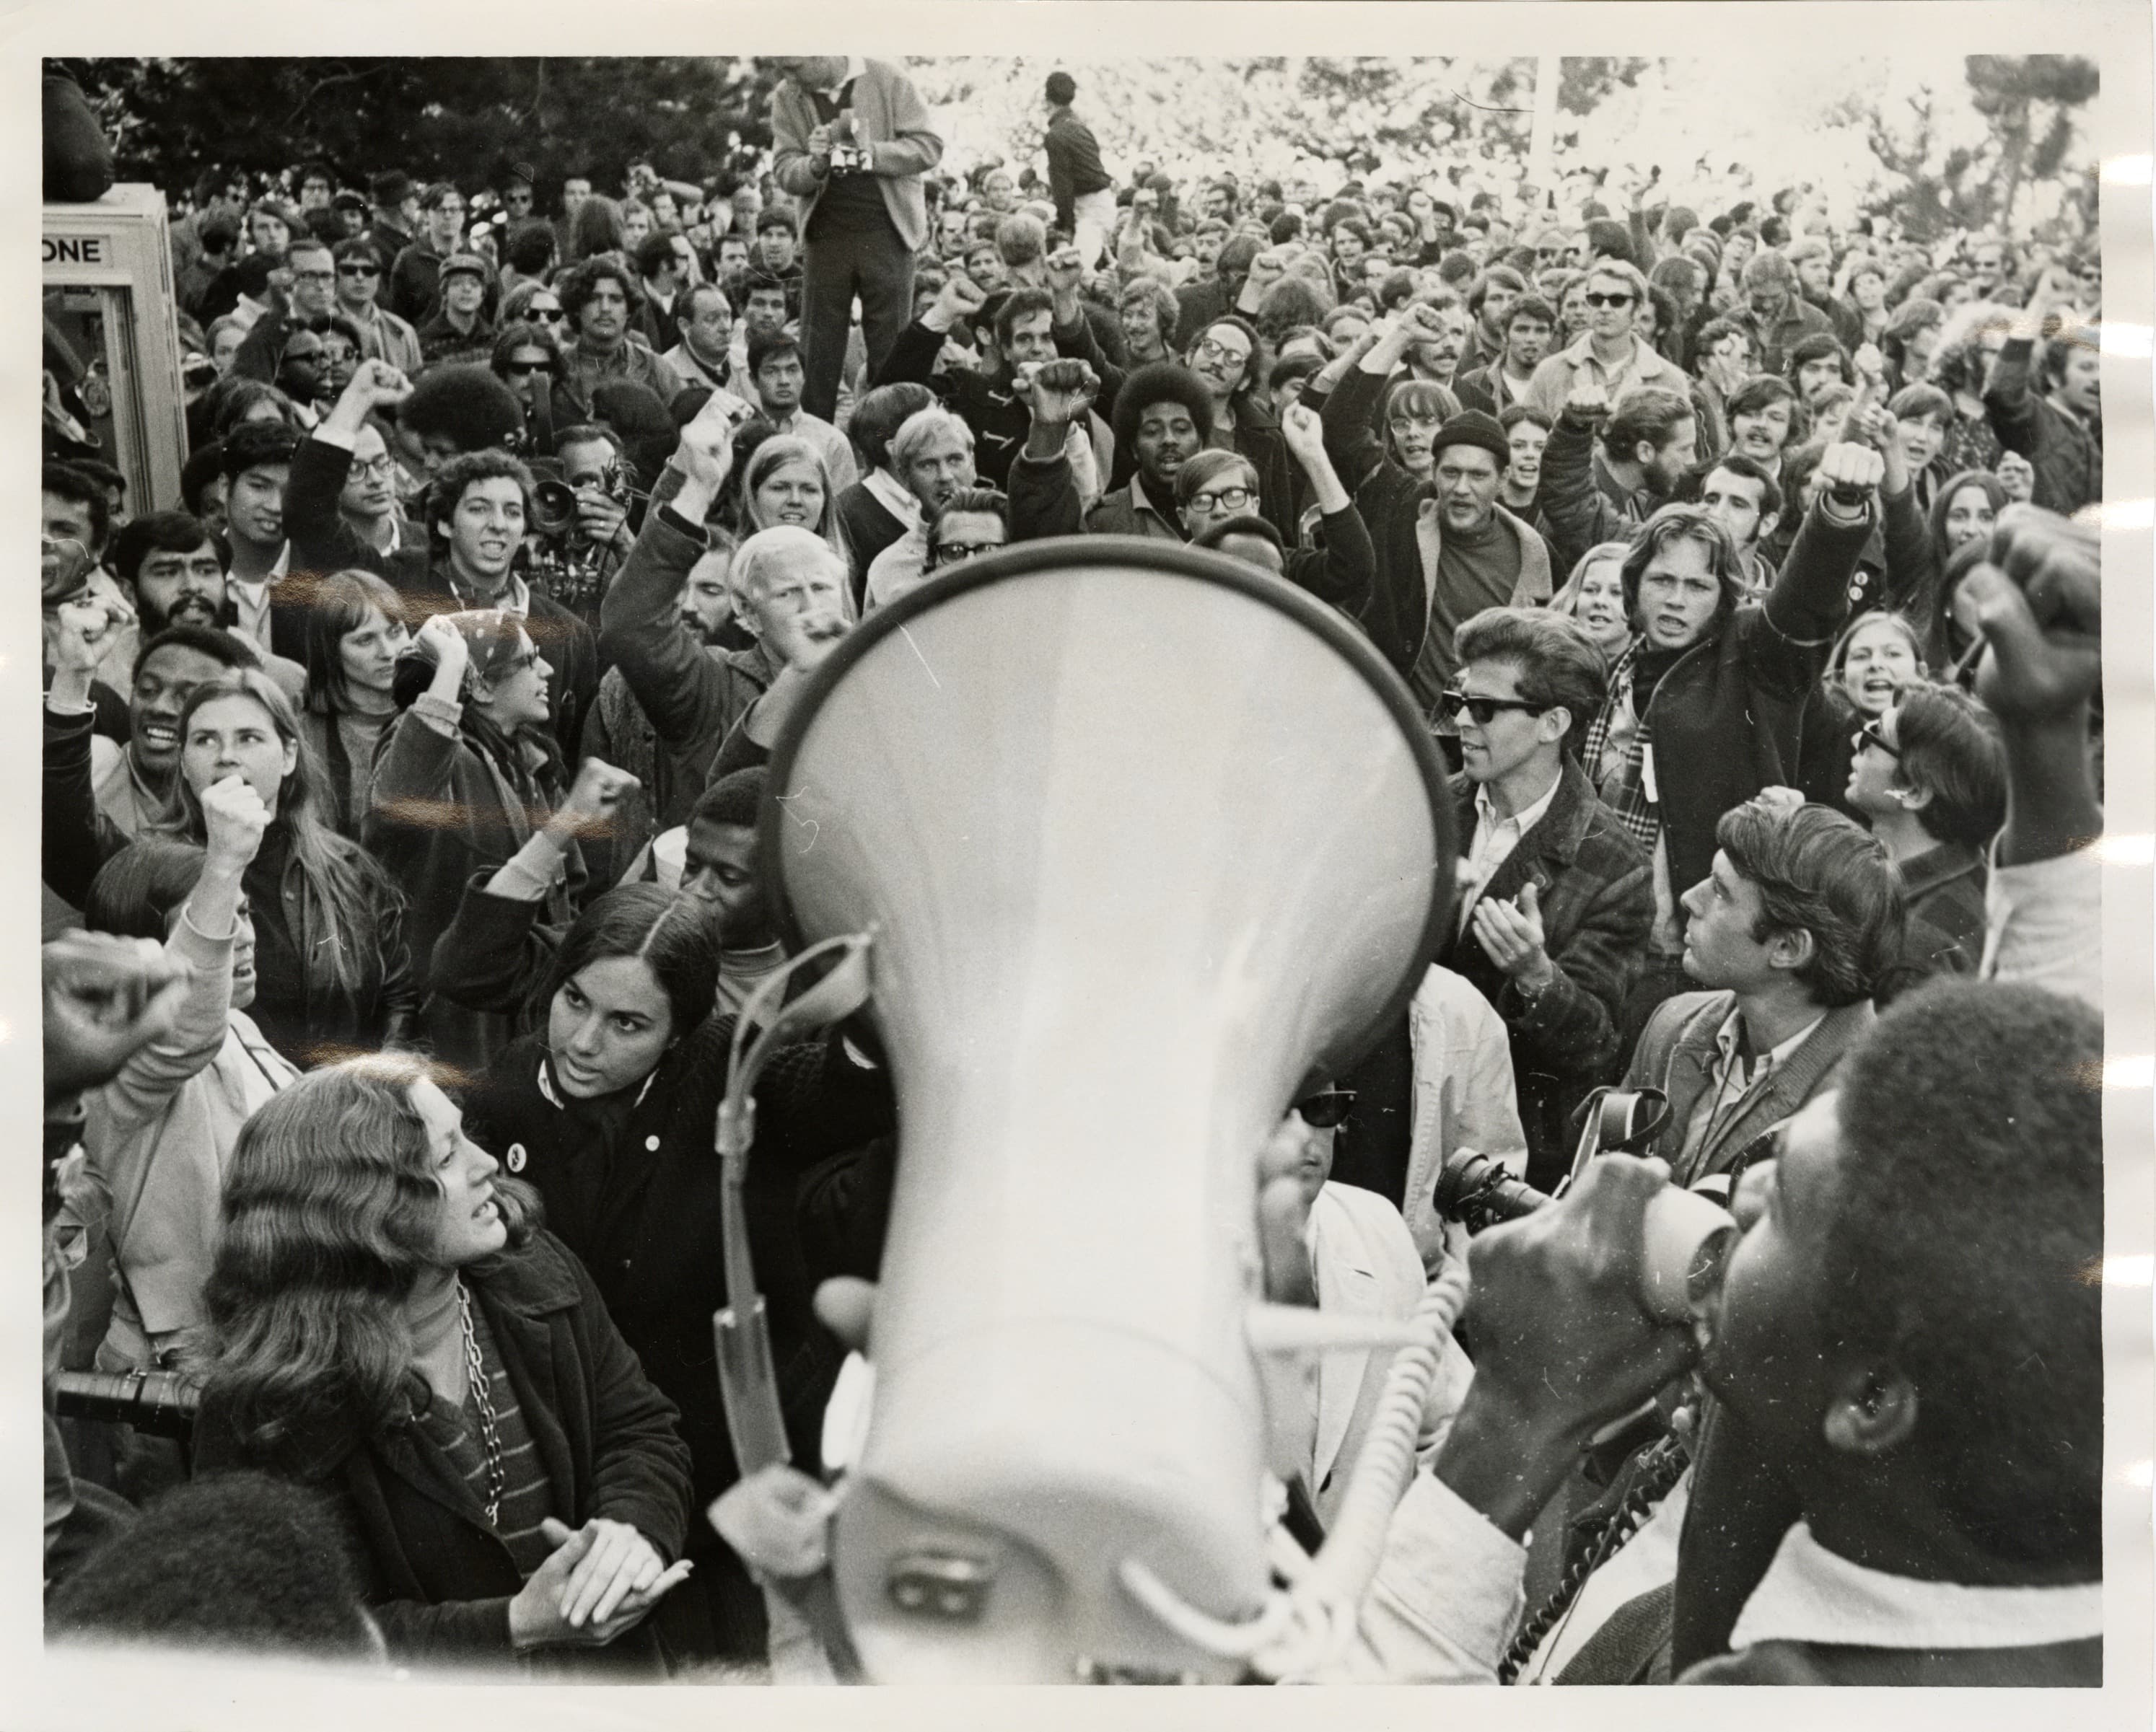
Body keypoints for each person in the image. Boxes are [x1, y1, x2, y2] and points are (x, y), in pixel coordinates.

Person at [190, 1055, 699, 1673]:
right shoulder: (265, 1404)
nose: (488, 1164)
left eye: (466, 1137)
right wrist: (511, 1626)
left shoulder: (538, 1269)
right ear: (364, 1210)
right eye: (447, 1157)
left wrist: (631, 1533)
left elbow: (639, 1429)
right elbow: (294, 1638)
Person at [1582, 452, 1882, 1047]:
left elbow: (1803, 602)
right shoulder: (1611, 672)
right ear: (1633, 588)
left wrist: (1839, 512)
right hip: (1599, 936)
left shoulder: (1751, 656)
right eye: (1662, 581)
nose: (1676, 600)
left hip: (1688, 951)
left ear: (1723, 598)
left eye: (1698, 585)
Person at [74, 770, 299, 1376]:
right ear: (144, 952)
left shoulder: (245, 1029)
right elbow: (179, 1024)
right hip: (181, 1362)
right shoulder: (115, 1059)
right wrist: (222, 865)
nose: (241, 937)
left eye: (243, 914)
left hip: (266, 1334)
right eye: (213, 921)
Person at [1427, 609, 1653, 1189]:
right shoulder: (1425, 810)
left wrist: (1537, 976)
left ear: (1553, 723)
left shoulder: (1615, 862)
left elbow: (1598, 1046)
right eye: (1458, 698)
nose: (1459, 720)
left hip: (1503, 1146)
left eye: (1483, 708)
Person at [1619, 796, 1902, 1194]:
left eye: (1720, 892)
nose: (1689, 898)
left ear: (1788, 949)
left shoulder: (1866, 1108)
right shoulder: (1672, 1024)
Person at [367, 612, 574, 1073]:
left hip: (518, 1016)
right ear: (479, 687)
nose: (548, 672)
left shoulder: (527, 761)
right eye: (529, 661)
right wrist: (454, 661)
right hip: (450, 1029)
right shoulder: (435, 752)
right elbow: (402, 795)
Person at [767, 56, 945, 423]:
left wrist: (873, 152)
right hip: (826, 238)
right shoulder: (788, 95)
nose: (789, 78)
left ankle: (895, 449)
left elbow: (929, 147)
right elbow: (785, 170)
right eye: (783, 68)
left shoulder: (888, 78)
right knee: (817, 361)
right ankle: (811, 452)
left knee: (892, 356)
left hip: (887, 235)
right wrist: (814, 164)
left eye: (795, 67)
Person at [1848, 683, 2004, 996]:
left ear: (1915, 792)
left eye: (1873, 736)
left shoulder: (1910, 948)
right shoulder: (1984, 883)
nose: (1855, 740)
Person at [1535, 380, 1698, 579]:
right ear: (1645, 451)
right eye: (1684, 449)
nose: (1692, 461)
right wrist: (1572, 427)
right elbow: (1569, 495)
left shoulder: (1635, 497)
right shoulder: (1581, 500)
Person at [299, 568, 411, 838]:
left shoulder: (435, 711)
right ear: (331, 652)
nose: (388, 652)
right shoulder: (303, 736)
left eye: (395, 632)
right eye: (365, 640)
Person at [1983, 265, 2100, 516]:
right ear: (2054, 378)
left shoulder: (2090, 434)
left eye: (2103, 370)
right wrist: (2041, 302)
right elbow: (2003, 390)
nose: (2099, 379)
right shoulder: (2036, 421)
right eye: (2087, 367)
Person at [1522, 260, 1690, 421]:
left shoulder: (1669, 379)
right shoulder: (1550, 372)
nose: (1604, 309)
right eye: (1596, 299)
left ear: (1638, 310)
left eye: (1617, 301)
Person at [551, 257, 687, 426]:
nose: (605, 308)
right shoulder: (555, 369)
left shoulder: (657, 370)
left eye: (615, 299)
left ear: (629, 310)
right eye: (594, 298)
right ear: (577, 308)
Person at [745, 329, 859, 493]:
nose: (784, 381)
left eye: (792, 370)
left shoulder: (832, 442)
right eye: (771, 371)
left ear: (804, 376)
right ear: (754, 380)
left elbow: (842, 512)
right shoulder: (740, 437)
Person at [1042, 71, 1116, 267]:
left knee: (1077, 271)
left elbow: (1062, 185)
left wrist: (1064, 223)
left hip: (1091, 210)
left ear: (1046, 98)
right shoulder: (1080, 126)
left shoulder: (1056, 134)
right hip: (1099, 205)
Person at [1452, 293, 1556, 419]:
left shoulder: (1564, 381)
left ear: (1551, 335)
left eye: (1540, 330)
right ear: (1504, 334)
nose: (1531, 339)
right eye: (1522, 330)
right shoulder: (1474, 383)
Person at [331, 237, 424, 376]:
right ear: (335, 275)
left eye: (368, 271)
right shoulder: (323, 324)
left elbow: (416, 385)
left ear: (378, 277)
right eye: (349, 270)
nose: (360, 277)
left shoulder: (403, 331)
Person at [387, 181, 470, 326]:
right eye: (440, 210)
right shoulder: (408, 260)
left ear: (463, 215)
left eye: (454, 210)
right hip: (425, 345)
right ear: (426, 215)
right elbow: (397, 320)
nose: (448, 216)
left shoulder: (479, 259)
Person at [1548, 539, 1634, 663]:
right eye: (1590, 590)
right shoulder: (1546, 661)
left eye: (1616, 593)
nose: (1600, 601)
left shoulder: (1644, 675)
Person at [416, 252, 496, 369]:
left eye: (474, 284)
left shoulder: (495, 340)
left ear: (482, 294)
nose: (467, 289)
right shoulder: (425, 342)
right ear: (445, 291)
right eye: (457, 283)